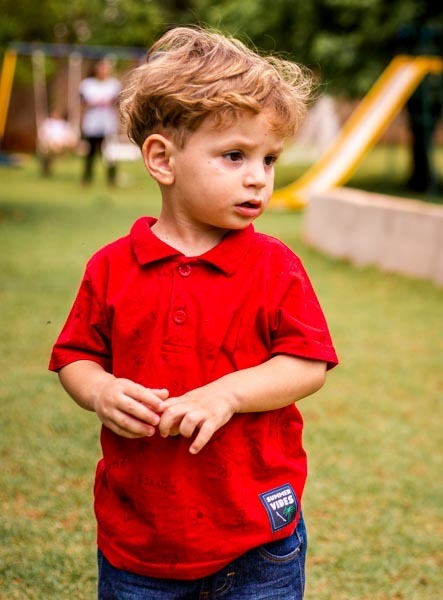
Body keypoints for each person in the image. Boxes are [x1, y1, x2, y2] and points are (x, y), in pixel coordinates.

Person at [49, 26, 337, 599]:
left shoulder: (275, 266)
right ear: (163, 159)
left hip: (258, 535)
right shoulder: (111, 267)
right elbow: (76, 356)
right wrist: (100, 391)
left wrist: (227, 393)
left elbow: (307, 363)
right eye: (234, 155)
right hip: (140, 538)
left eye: (269, 158)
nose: (259, 176)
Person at [79, 57, 121, 186]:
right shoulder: (87, 84)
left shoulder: (114, 84)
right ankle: (87, 179)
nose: (104, 70)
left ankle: (112, 178)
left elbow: (118, 101)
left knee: (109, 153)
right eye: (102, 67)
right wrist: (93, 103)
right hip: (92, 123)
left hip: (108, 123)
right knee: (90, 152)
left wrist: (110, 102)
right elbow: (81, 102)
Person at [37, 108, 77, 176]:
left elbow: (70, 136)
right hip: (49, 144)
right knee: (47, 151)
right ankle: (46, 168)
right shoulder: (47, 123)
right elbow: (42, 135)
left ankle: (57, 149)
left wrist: (68, 142)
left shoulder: (64, 125)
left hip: (62, 144)